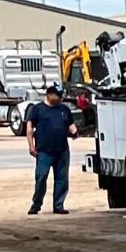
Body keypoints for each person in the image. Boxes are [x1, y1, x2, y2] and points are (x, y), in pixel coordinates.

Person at [23, 85, 76, 215]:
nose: (60, 98)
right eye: (58, 95)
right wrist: (31, 146)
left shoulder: (64, 109)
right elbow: (29, 129)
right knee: (41, 177)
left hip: (62, 150)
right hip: (44, 151)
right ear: (49, 95)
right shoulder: (37, 110)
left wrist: (74, 131)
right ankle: (36, 205)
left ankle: (58, 205)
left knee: (62, 179)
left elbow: (71, 125)